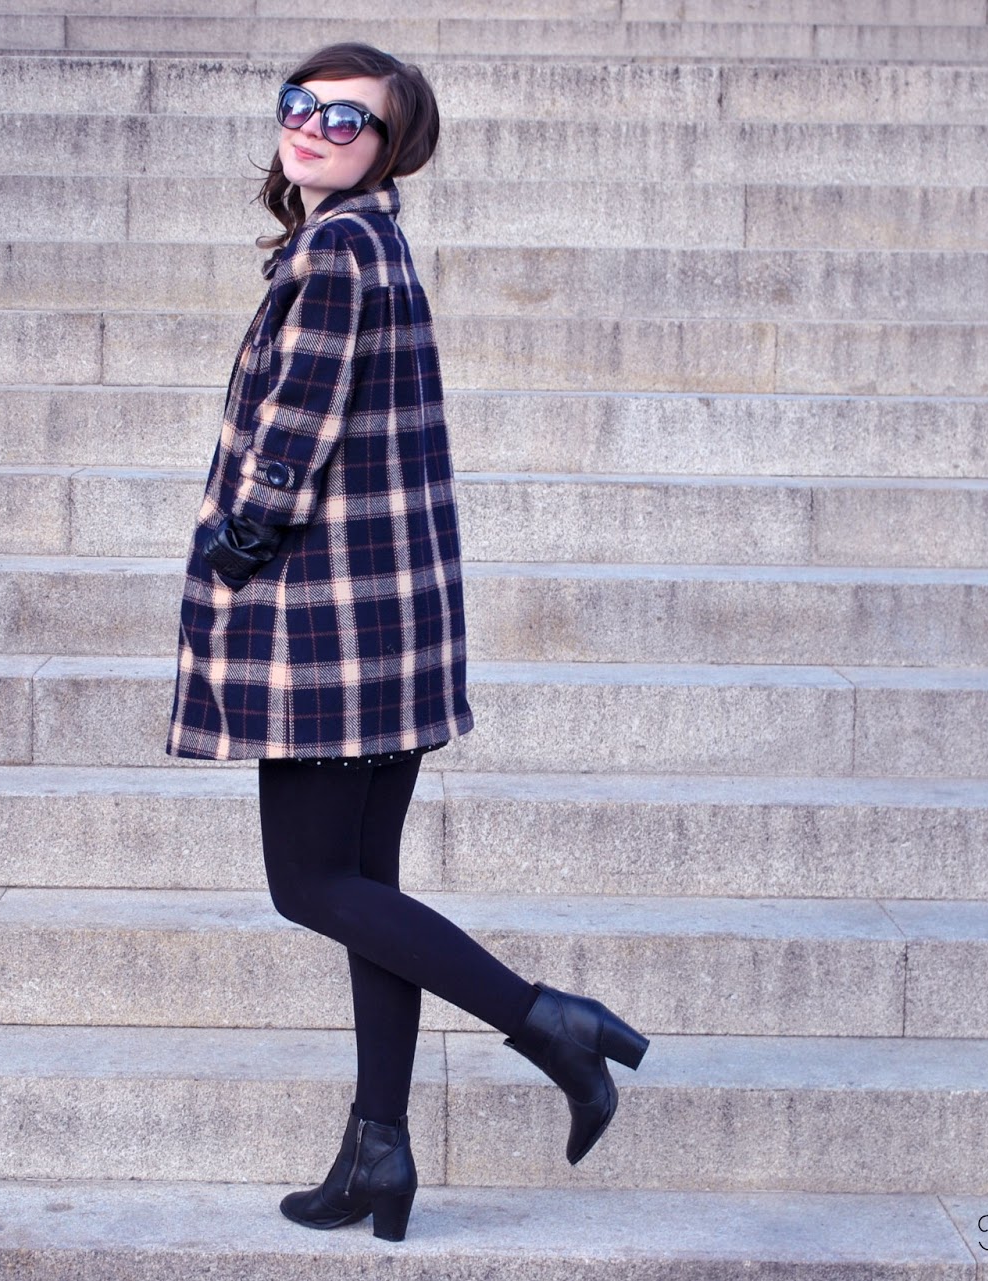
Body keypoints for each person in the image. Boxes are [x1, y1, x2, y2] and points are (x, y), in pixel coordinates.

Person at [163, 41, 649, 1242]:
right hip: (388, 623)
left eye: (348, 118)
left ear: (394, 145)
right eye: (301, 104)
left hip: (327, 631)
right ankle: (377, 1150)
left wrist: (238, 543)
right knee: (363, 891)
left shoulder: (336, 251)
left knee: (310, 886)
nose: (313, 126)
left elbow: (295, 426)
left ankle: (549, 1025)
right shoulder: (371, 242)